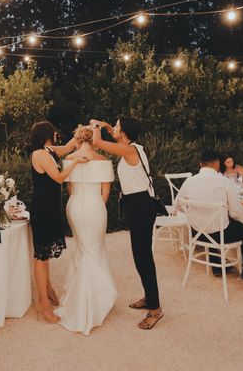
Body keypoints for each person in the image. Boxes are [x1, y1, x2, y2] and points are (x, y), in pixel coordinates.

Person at [90, 117, 163, 330]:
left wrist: (95, 126)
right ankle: (150, 298)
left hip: (141, 205)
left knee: (143, 257)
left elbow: (97, 143)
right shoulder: (129, 147)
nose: (115, 127)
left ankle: (156, 309)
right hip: (136, 204)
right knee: (139, 255)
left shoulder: (130, 150)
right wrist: (106, 126)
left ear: (125, 132)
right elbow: (113, 133)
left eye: (118, 125)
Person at [174, 150, 243, 293]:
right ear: (218, 165)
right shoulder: (224, 182)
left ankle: (217, 267)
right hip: (219, 233)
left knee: (215, 223)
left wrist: (195, 214)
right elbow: (236, 212)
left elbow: (178, 205)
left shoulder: (190, 181)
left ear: (200, 164)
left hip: (197, 232)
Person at [54, 125, 117, 335]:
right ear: (93, 139)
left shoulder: (69, 159)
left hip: (75, 205)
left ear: (78, 140)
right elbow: (105, 194)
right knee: (94, 247)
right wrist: (97, 206)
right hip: (95, 206)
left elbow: (70, 189)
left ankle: (78, 296)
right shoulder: (104, 161)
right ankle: (98, 297)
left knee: (82, 248)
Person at [29, 121, 88, 323]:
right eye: (54, 132)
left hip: (50, 207)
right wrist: (76, 162)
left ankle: (48, 290)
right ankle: (42, 304)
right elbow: (59, 177)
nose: (56, 135)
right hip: (43, 209)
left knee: (45, 254)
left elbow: (69, 146)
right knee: (41, 256)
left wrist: (82, 130)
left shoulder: (50, 150)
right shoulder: (39, 154)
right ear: (47, 134)